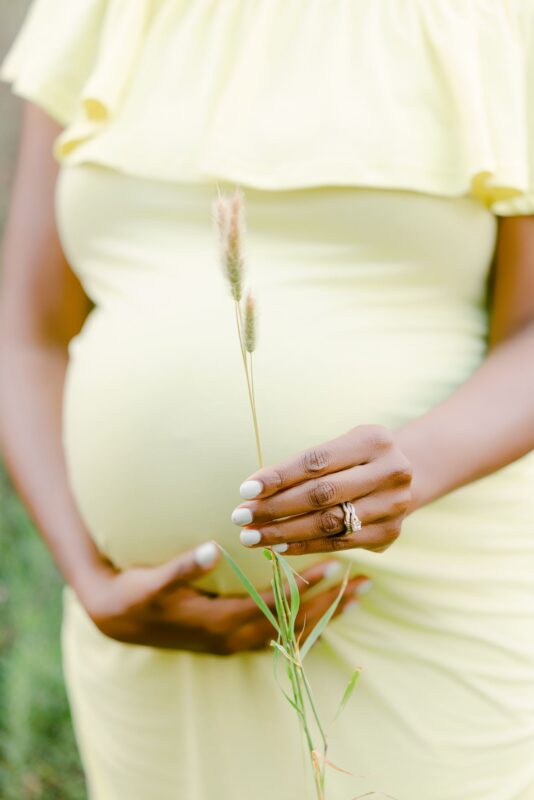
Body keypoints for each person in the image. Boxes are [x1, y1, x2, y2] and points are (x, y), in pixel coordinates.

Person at [1, 1, 534, 798]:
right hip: (148, 656)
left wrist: (414, 466)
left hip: (416, 618)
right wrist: (89, 577)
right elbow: (26, 337)